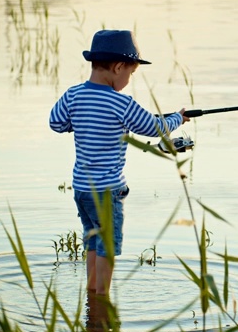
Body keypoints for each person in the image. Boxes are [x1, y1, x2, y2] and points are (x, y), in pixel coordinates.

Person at [49, 30, 190, 296]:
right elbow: (155, 128)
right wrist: (177, 119)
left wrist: (81, 121)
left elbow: (56, 122)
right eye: (130, 74)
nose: (128, 80)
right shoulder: (121, 102)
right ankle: (101, 299)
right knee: (108, 246)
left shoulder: (73, 95)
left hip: (81, 188)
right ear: (117, 67)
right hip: (106, 190)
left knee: (93, 240)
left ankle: (91, 291)